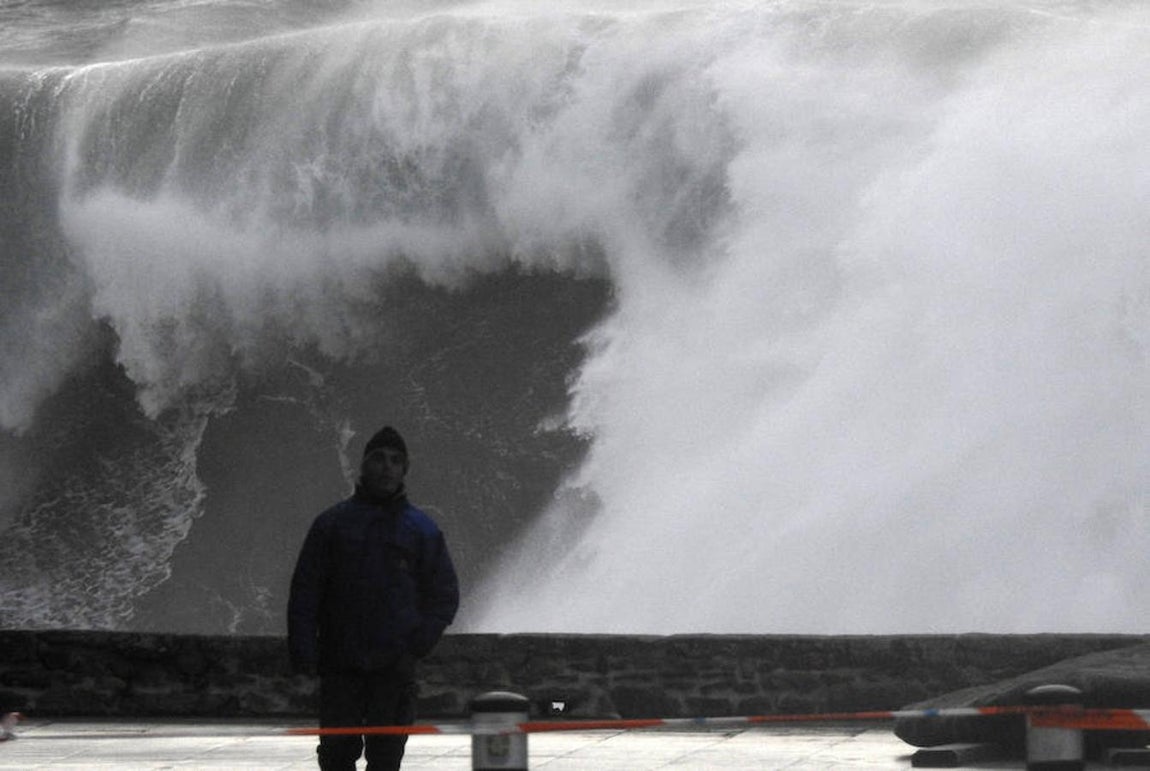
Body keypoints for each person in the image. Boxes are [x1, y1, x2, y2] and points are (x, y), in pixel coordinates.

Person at [288, 425, 460, 771]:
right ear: (363, 465)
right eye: (378, 459)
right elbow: (306, 592)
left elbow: (444, 595)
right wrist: (304, 651)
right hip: (340, 665)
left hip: (393, 669)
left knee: (386, 760)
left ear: (404, 470)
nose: (387, 467)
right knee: (336, 758)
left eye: (396, 461)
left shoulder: (421, 530)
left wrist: (416, 645)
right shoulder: (331, 525)